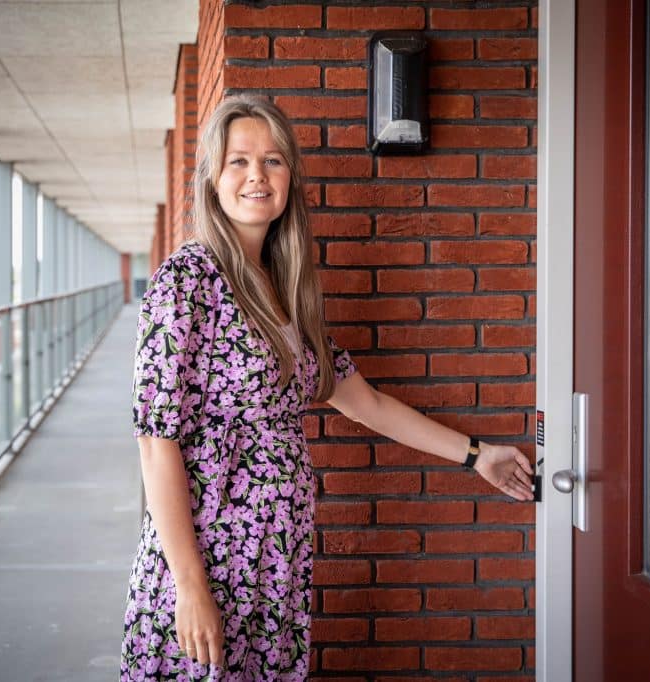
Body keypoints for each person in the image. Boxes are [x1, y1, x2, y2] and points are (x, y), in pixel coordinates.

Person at [120, 94, 534, 681]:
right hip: (209, 564)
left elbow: (367, 403)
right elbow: (155, 440)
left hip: (274, 567)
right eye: (239, 161)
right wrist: (189, 586)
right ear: (213, 177)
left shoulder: (284, 290)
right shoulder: (187, 280)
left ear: (290, 176)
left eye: (273, 160)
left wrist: (476, 455)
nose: (257, 176)